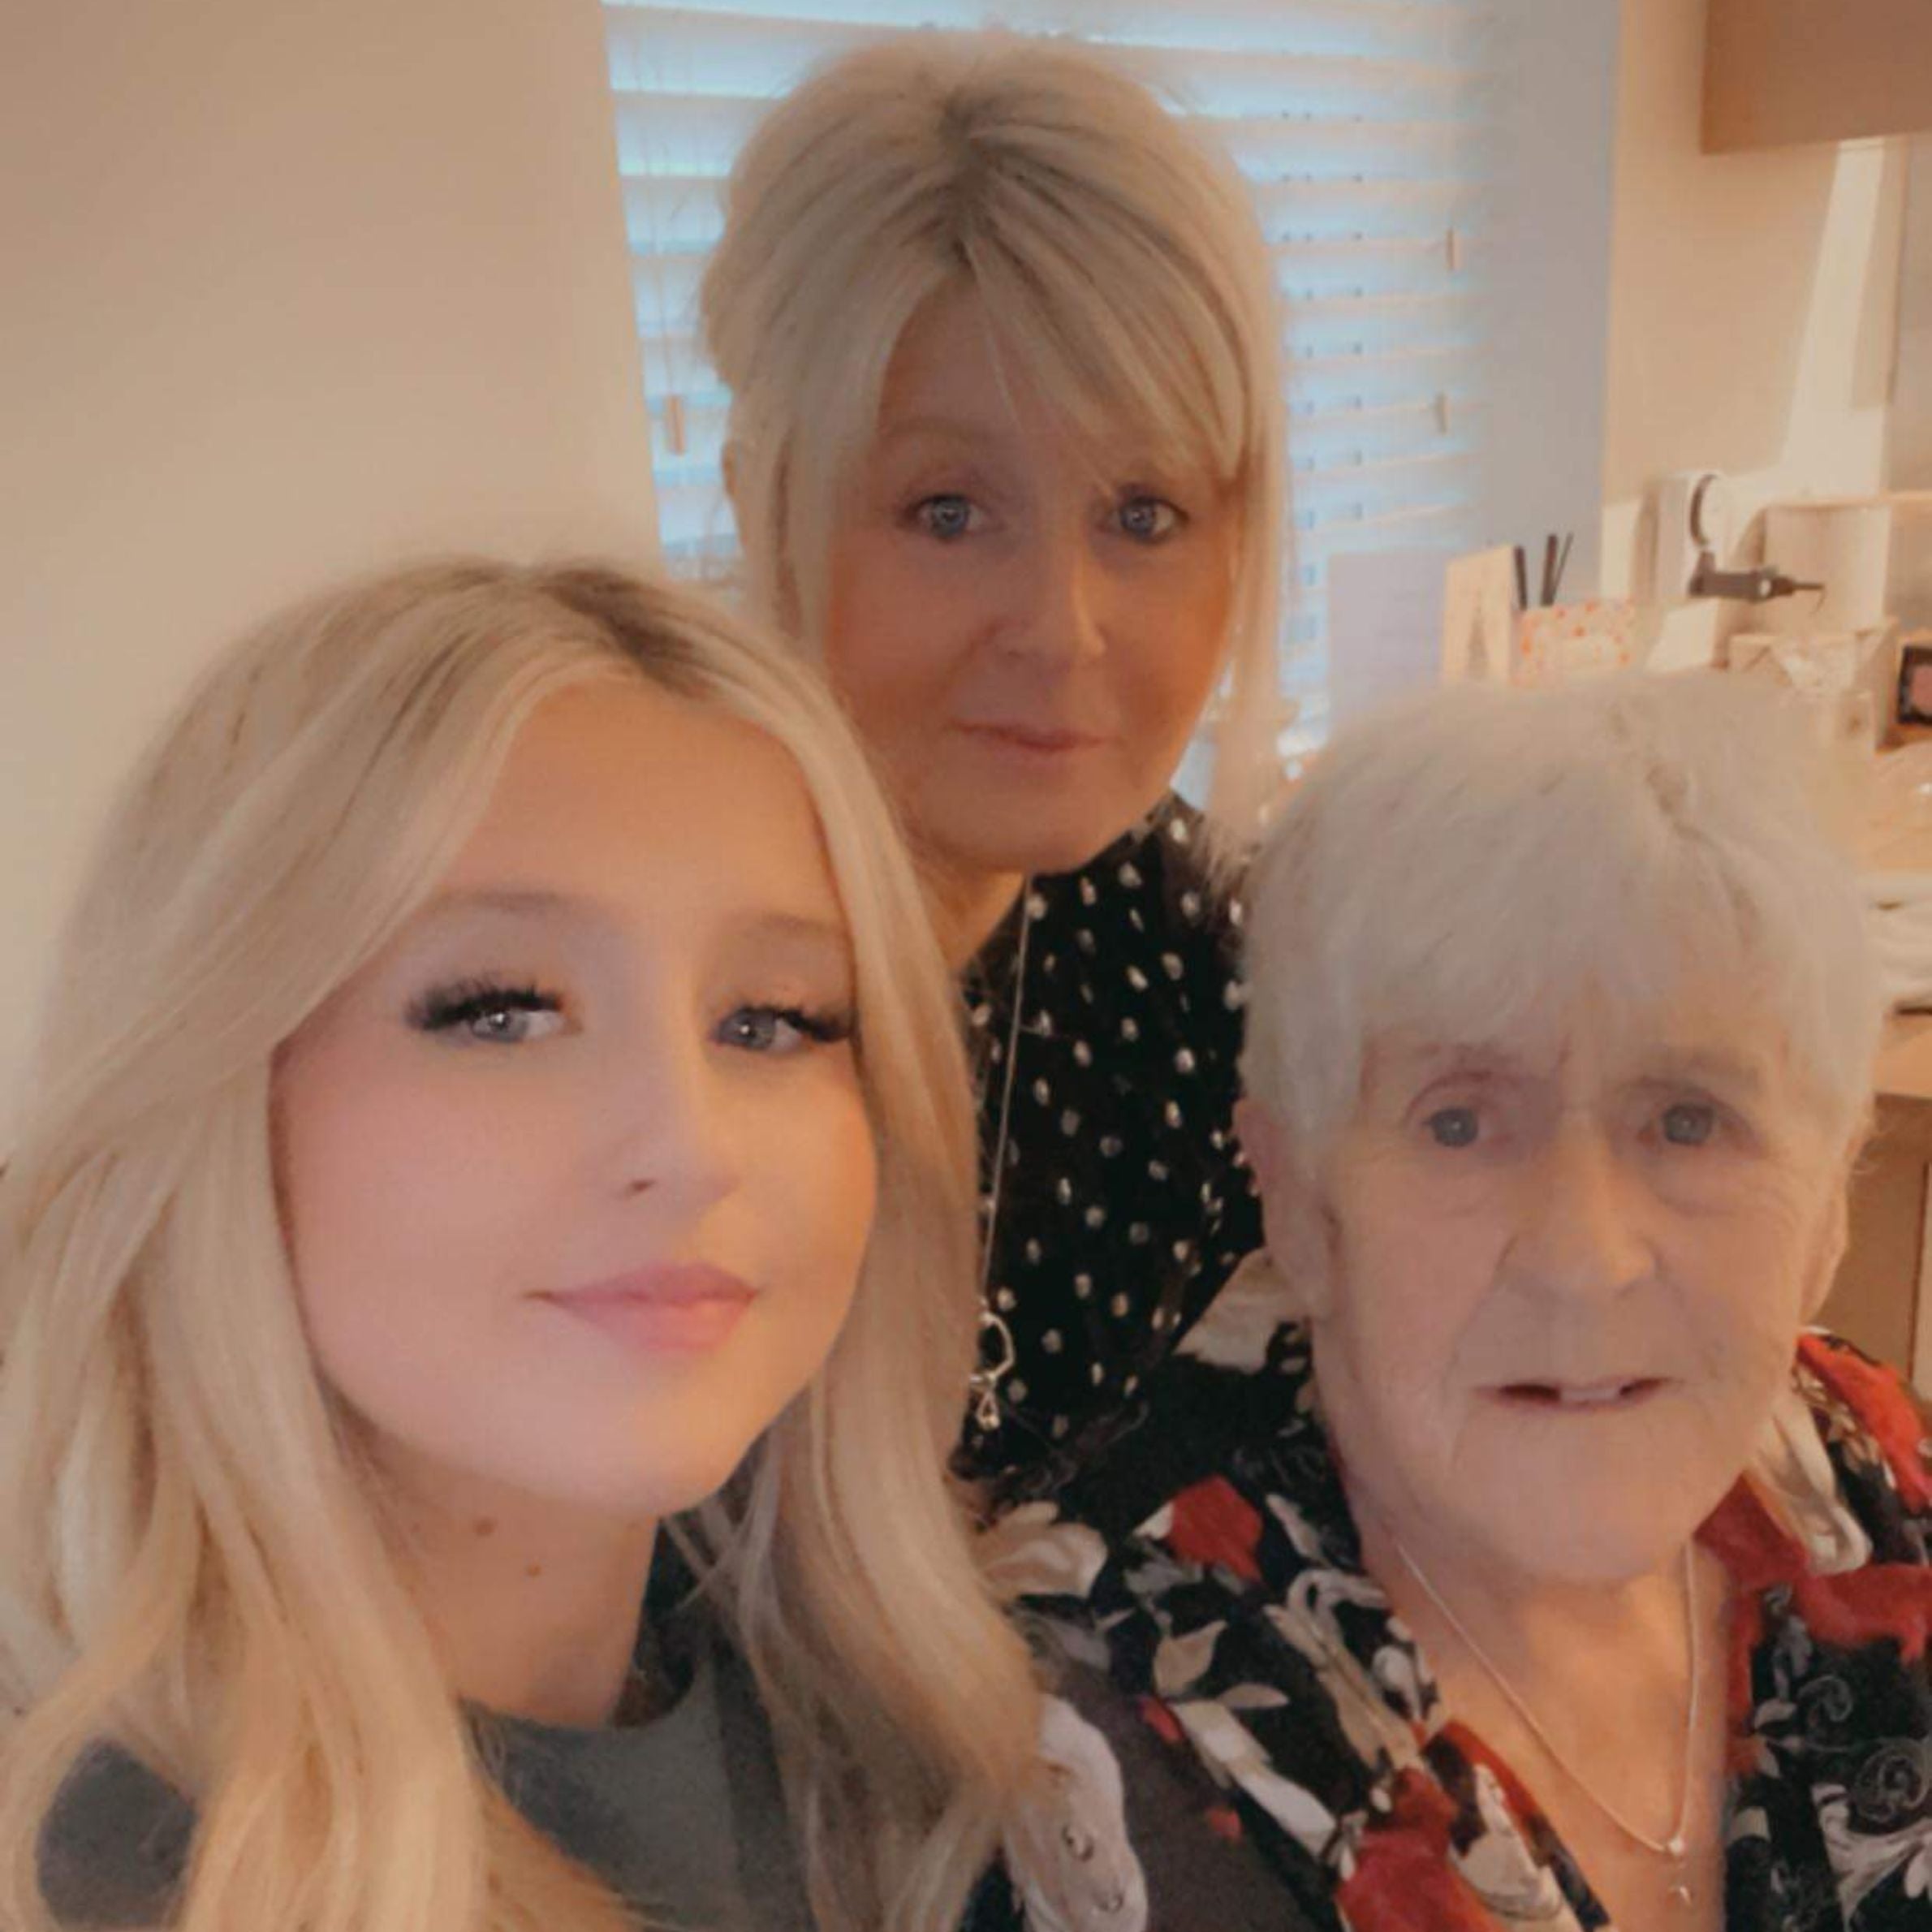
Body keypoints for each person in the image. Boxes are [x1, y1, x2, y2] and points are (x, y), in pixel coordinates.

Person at [0, 560, 1063, 1932]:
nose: (693, 1142)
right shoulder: (83, 1870)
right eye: (502, 1010)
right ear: (219, 1089)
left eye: (775, 1018)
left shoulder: (922, 1759)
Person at [1001, 674, 1932, 1930]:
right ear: (1297, 1203)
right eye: (1459, 1123)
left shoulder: (1865, 1476)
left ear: (1827, 1202)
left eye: (1688, 1119)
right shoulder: (1102, 1738)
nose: (1585, 1254)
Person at [700, 32, 1290, 1491]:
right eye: (949, 511)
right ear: (764, 497)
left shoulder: (1211, 970)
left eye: (1144, 513)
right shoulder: (614, 953)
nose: (1062, 630)